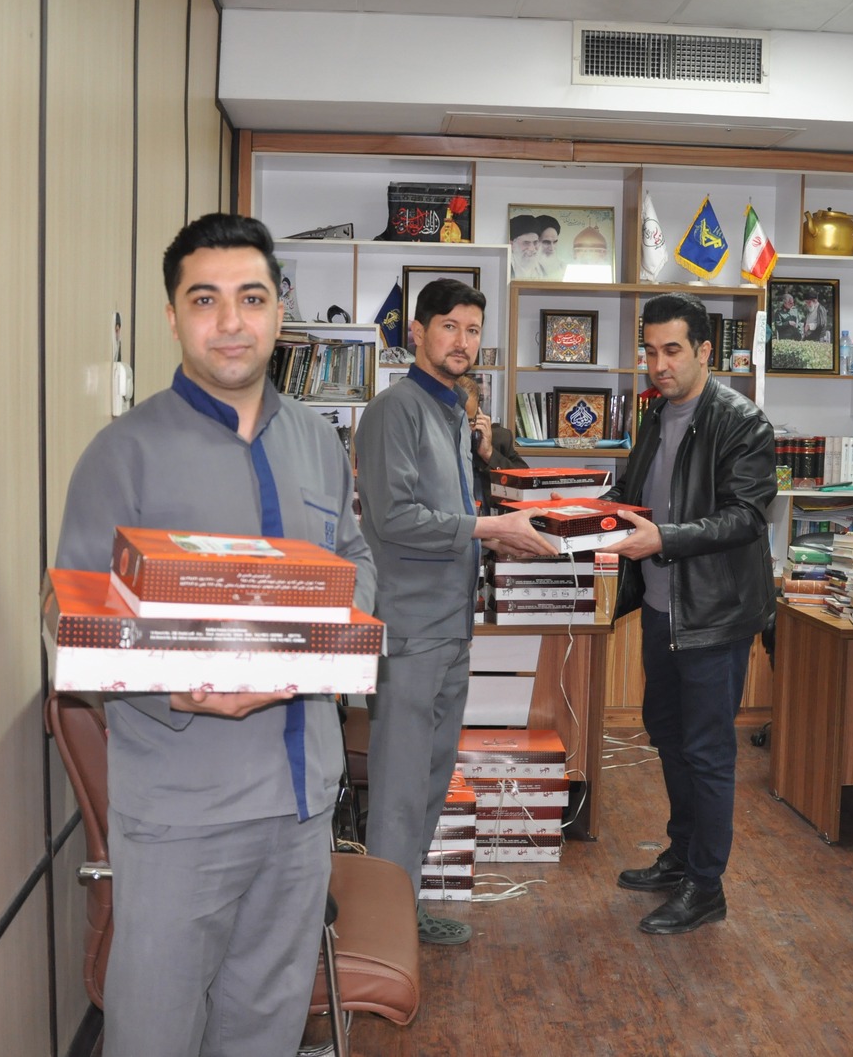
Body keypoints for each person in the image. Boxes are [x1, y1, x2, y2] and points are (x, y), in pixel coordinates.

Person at [53, 213, 375, 1055]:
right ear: (172, 316)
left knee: (265, 1030)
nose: (230, 321)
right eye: (205, 299)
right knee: (155, 1033)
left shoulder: (317, 440)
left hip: (301, 804)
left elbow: (355, 561)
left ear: (279, 312)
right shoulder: (122, 453)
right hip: (181, 813)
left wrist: (320, 651)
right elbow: (75, 617)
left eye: (251, 297)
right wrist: (177, 686)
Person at [355, 278, 556, 944]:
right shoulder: (394, 410)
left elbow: (455, 513)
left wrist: (492, 527)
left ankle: (402, 910)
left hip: (451, 627)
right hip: (409, 631)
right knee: (399, 788)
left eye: (472, 330)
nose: (462, 341)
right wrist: (487, 529)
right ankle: (382, 931)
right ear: (416, 332)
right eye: (449, 326)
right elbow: (395, 517)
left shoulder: (453, 414)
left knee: (432, 781)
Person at [601, 291, 777, 935]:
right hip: (659, 608)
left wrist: (664, 539)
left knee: (707, 751)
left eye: (672, 350)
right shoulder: (656, 413)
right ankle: (681, 854)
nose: (658, 365)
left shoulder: (742, 422)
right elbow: (638, 495)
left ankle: (706, 886)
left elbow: (746, 516)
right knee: (668, 735)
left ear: (705, 351)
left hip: (711, 616)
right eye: (649, 351)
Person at [455, 372, 528, 507]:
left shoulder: (500, 438)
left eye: (469, 421)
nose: (464, 428)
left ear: (479, 413)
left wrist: (489, 454)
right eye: (458, 421)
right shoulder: (433, 441)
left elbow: (527, 484)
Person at [510, 214, 547, 281]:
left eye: (535, 242)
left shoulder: (542, 271)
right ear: (512, 245)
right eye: (526, 243)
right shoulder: (505, 268)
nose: (532, 249)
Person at [535, 213, 566, 281]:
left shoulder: (563, 266)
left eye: (555, 242)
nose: (552, 248)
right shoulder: (527, 268)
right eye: (546, 242)